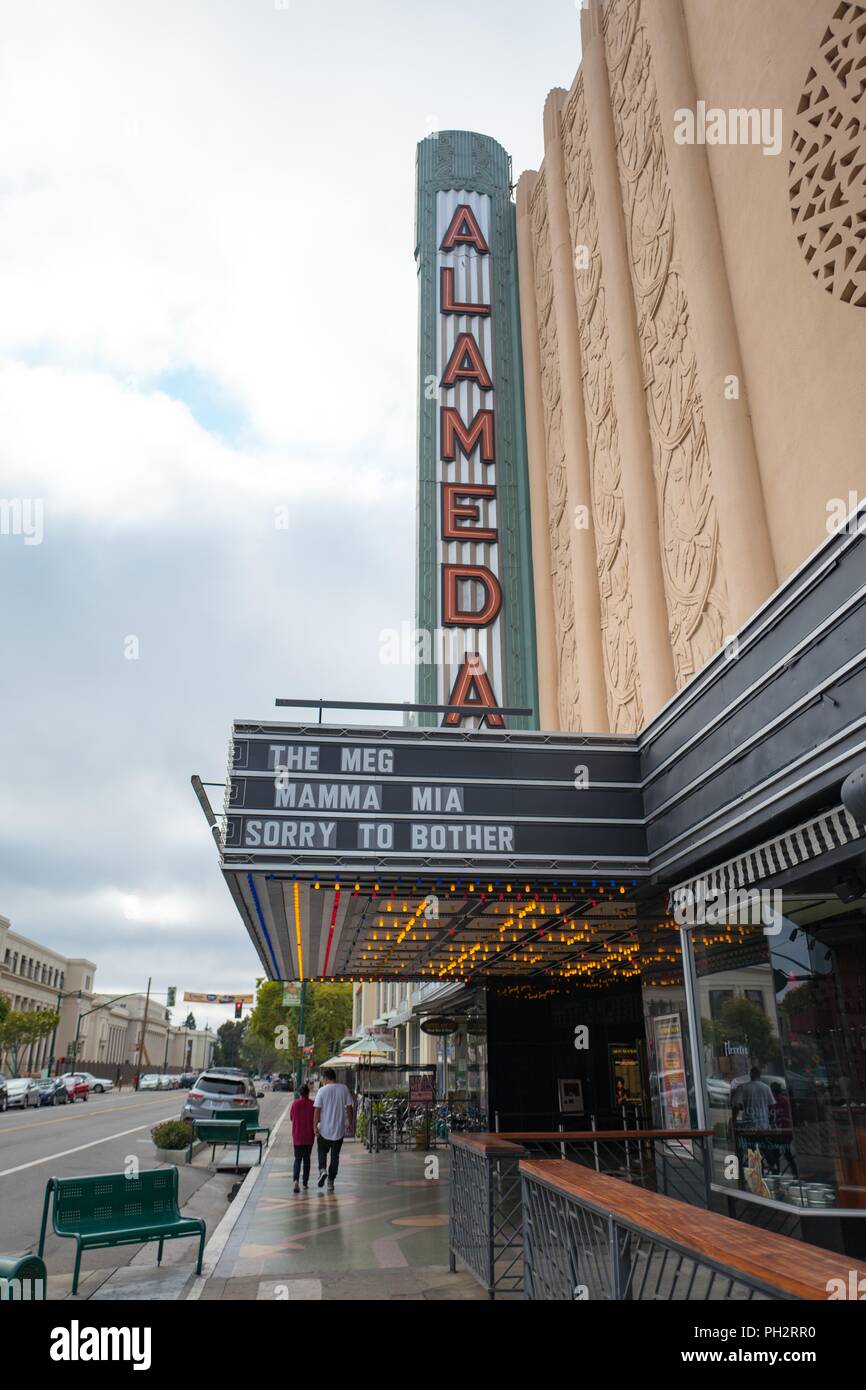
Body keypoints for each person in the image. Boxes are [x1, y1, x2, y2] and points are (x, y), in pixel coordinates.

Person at [313, 1067, 354, 1192]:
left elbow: (317, 1110)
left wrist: (315, 1126)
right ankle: (331, 1181)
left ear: (326, 1078)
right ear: (334, 1077)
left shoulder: (322, 1090)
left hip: (324, 1130)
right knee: (335, 1157)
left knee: (322, 1152)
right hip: (339, 1130)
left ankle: (322, 1170)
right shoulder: (344, 1088)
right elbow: (349, 1107)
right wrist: (350, 1123)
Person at [290, 1083, 315, 1192]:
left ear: (300, 1093)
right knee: (307, 1159)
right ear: (308, 1093)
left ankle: (296, 1181)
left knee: (297, 1159)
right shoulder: (313, 1104)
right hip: (309, 1136)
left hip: (297, 1136)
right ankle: (305, 1183)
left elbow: (291, 1118)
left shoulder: (295, 1104)